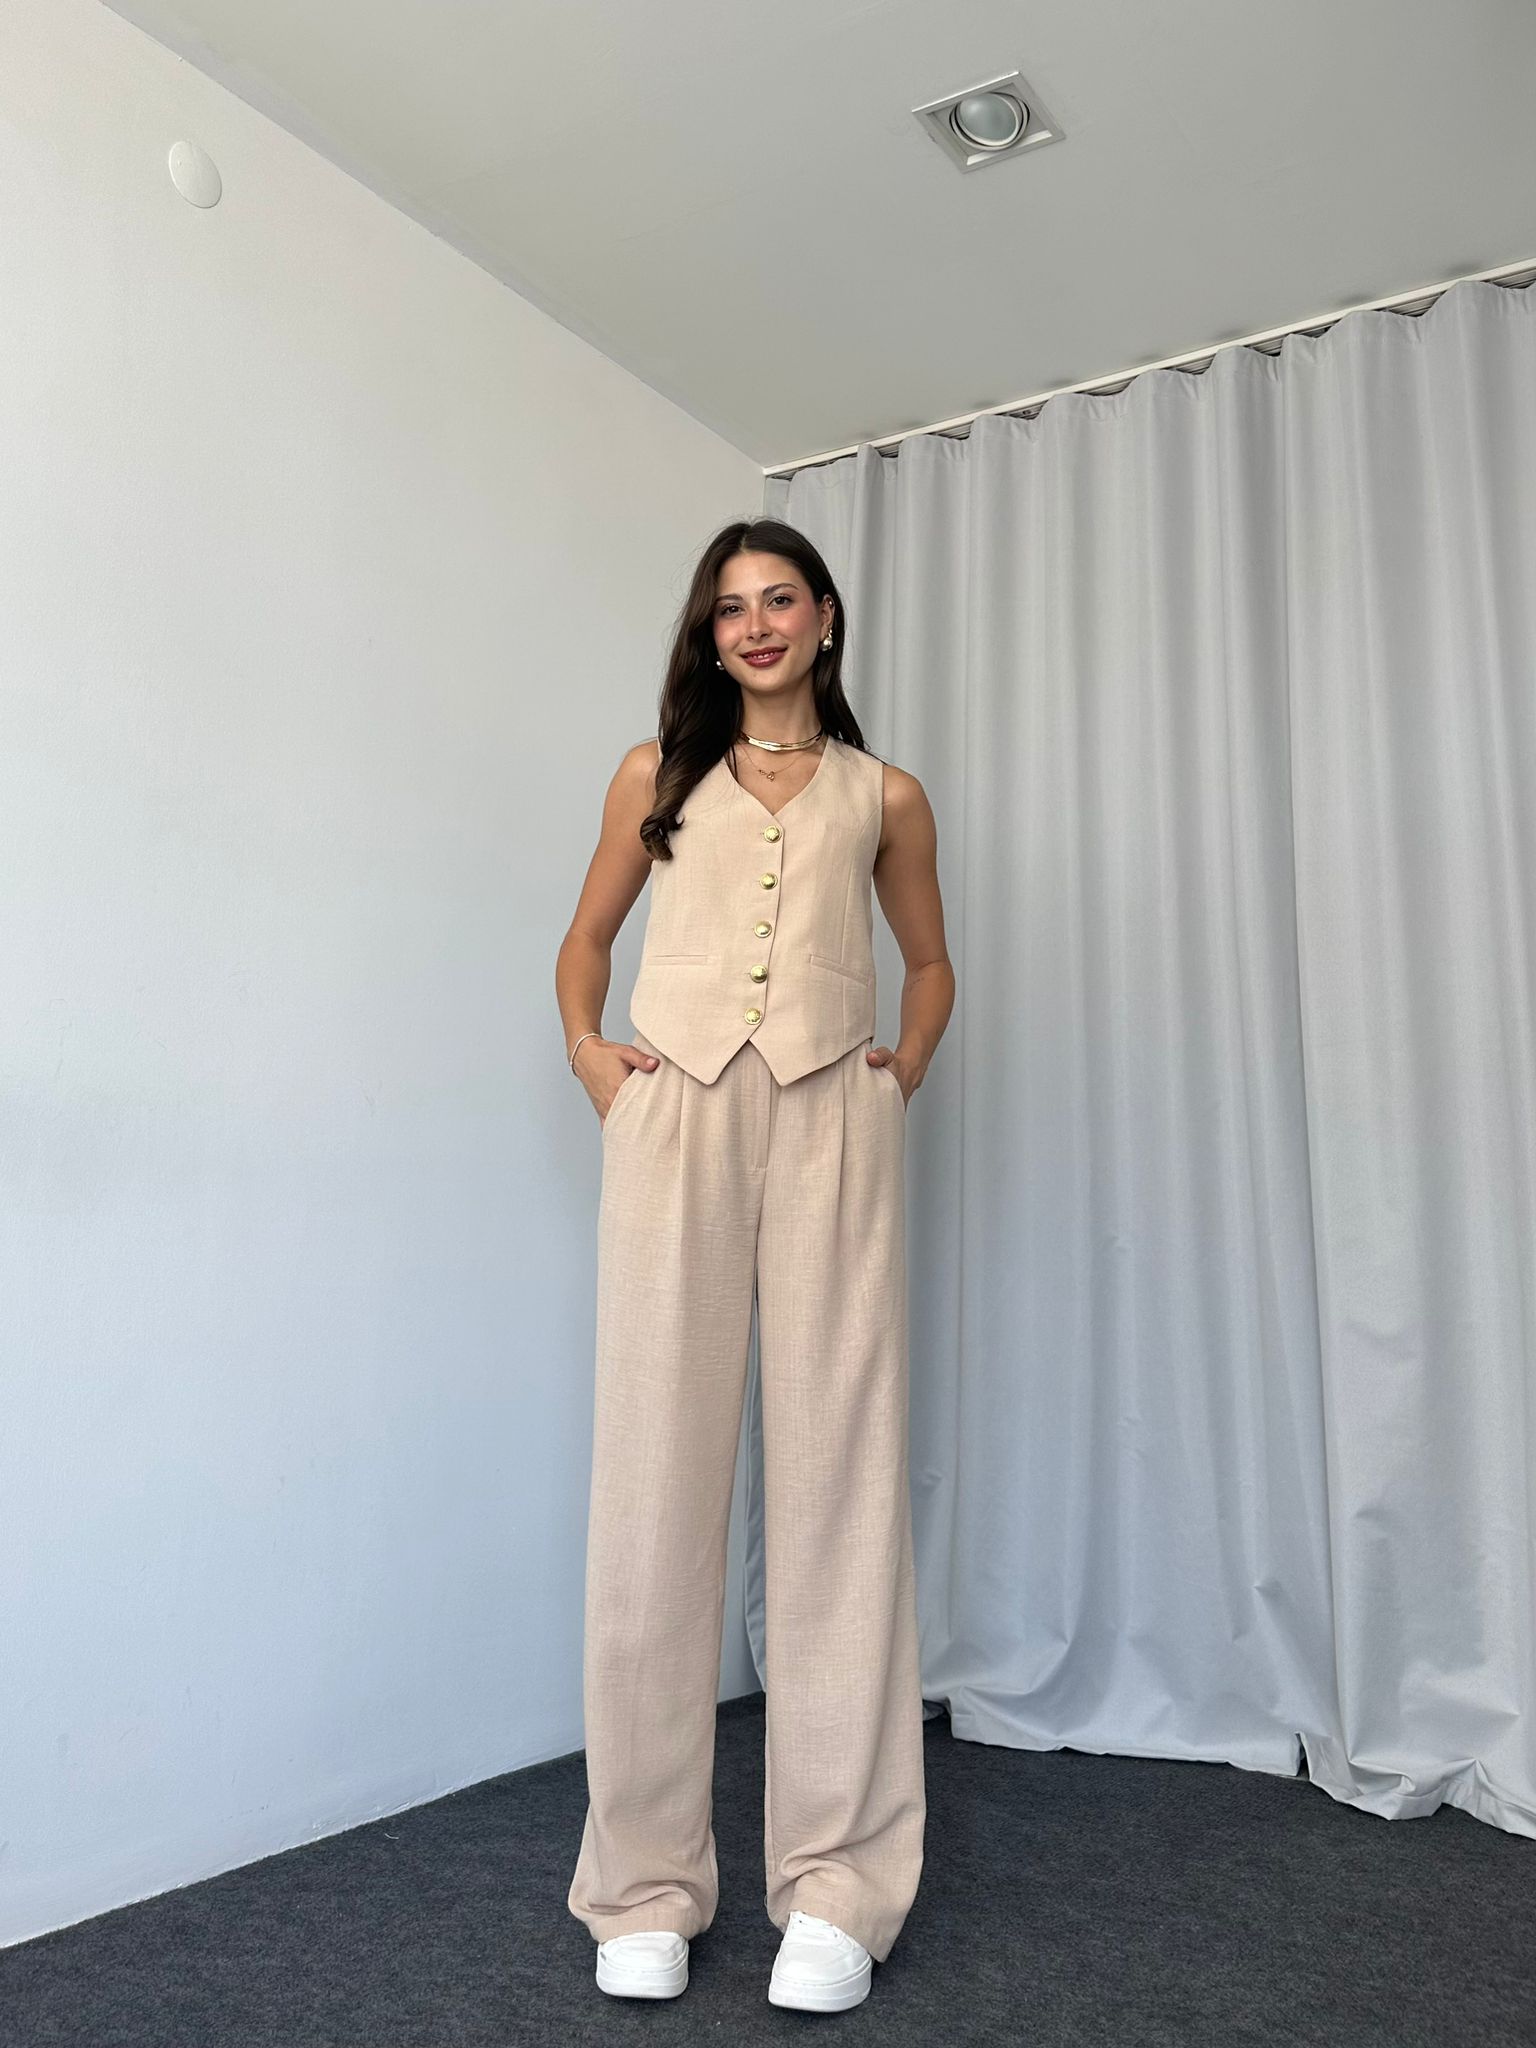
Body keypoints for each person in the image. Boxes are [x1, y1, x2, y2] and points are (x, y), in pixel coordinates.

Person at [556, 516, 954, 2013]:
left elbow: (931, 962)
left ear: (826, 617)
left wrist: (900, 1075)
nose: (757, 624)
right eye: (731, 608)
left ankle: (839, 1885)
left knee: (841, 1483)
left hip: (834, 1121)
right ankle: (644, 1883)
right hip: (677, 1122)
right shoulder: (654, 776)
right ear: (709, 634)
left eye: (781, 598)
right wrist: (595, 1060)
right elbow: (584, 945)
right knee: (654, 1488)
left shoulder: (885, 794)